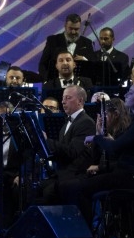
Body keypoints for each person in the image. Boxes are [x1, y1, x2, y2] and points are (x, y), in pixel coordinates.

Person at [47, 85, 99, 219]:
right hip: (63, 174)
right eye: (63, 98)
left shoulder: (85, 122)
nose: (63, 102)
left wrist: (47, 141)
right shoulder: (67, 123)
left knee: (46, 193)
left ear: (80, 101)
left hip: (75, 175)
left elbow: (72, 152)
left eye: (68, 98)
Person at [37, 13, 95, 82]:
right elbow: (43, 64)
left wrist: (85, 60)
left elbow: (93, 66)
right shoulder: (52, 40)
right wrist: (48, 81)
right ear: (65, 26)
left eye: (76, 29)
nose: (73, 32)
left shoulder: (87, 43)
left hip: (80, 84)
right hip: (55, 83)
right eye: (70, 28)